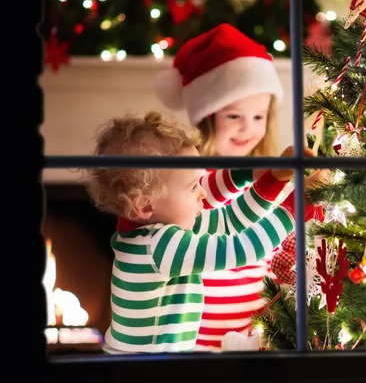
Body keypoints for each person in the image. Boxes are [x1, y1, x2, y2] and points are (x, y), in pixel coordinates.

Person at [154, 23, 328, 351]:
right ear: (206, 115)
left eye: (259, 117)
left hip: (253, 329)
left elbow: (279, 246)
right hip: (197, 334)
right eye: (234, 116)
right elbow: (214, 203)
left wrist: (313, 194)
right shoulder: (191, 178)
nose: (248, 128)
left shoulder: (273, 178)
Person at [83, 111, 316, 354]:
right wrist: (298, 205)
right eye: (193, 187)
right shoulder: (160, 248)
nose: (203, 194)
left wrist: (273, 177)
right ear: (144, 205)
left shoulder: (150, 229)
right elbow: (242, 248)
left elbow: (230, 219)